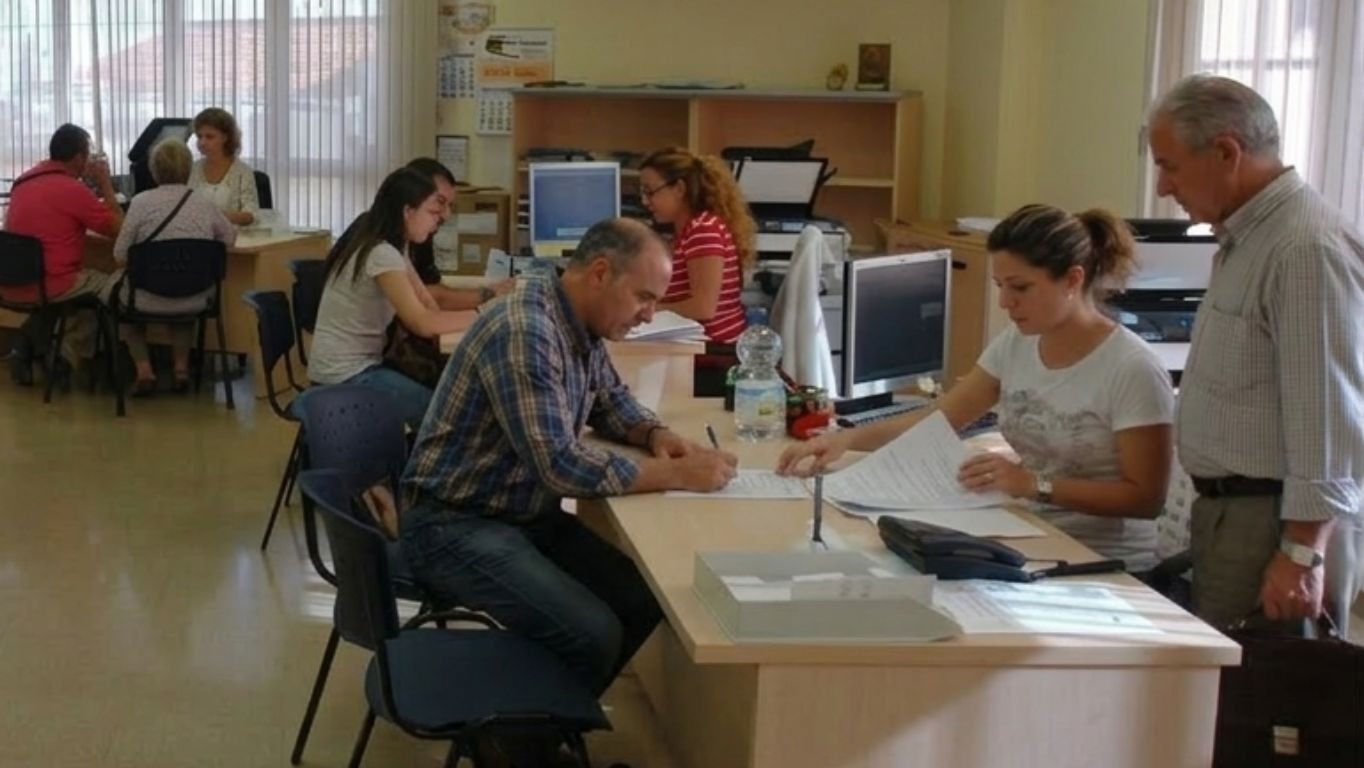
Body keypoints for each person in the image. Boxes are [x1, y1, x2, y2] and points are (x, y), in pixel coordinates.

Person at [400, 218, 738, 704]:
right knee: (591, 633)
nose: (649, 315)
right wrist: (677, 474)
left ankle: (545, 718)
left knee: (643, 598)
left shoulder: (577, 320)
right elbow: (559, 465)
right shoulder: (526, 329)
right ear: (600, 273)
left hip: (517, 513)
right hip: (451, 525)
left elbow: (610, 401)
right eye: (643, 297)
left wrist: (656, 434)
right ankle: (512, 734)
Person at [778, 204, 1175, 571]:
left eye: (1020, 288)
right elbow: (939, 419)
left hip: (1105, 562)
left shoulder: (1131, 368)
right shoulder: (1017, 342)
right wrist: (845, 440)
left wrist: (1032, 485)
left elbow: (1145, 499)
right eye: (1000, 285)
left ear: (1073, 279)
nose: (1005, 302)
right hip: (1030, 537)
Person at [1147, 74, 1364, 632]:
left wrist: (1301, 553)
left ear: (1226, 153)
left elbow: (1328, 421)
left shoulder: (1303, 248)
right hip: (1235, 516)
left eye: (1169, 166)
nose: (1163, 187)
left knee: (1263, 683)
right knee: (1221, 676)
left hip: (1275, 524)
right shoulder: (1247, 237)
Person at [307, 167, 476, 428]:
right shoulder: (381, 253)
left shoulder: (393, 247)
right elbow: (421, 322)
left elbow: (427, 304)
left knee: (446, 395)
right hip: (345, 378)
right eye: (432, 212)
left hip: (357, 368)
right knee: (445, 415)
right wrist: (484, 315)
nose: (438, 220)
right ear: (408, 211)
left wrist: (473, 315)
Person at [110, 138, 236, 396]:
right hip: (195, 298)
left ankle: (144, 370)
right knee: (183, 290)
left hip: (144, 299)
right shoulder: (204, 202)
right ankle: (181, 370)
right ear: (189, 169)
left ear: (154, 170)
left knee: (120, 302)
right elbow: (229, 239)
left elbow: (120, 256)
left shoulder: (140, 202)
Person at [2, 123, 123, 387]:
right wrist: (105, 183)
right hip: (50, 283)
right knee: (106, 289)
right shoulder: (72, 190)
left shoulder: (23, 181)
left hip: (11, 281)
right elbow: (119, 229)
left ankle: (26, 343)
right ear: (79, 158)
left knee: (67, 289)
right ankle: (64, 359)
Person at [330, 157, 512, 312]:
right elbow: (425, 302)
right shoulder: (381, 242)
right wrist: (488, 299)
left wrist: (490, 289)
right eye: (439, 202)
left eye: (449, 205)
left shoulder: (408, 235)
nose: (446, 214)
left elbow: (428, 289)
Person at [638, 146, 756, 344]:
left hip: (714, 349)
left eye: (650, 192)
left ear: (679, 189)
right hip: (696, 344)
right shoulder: (688, 230)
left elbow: (703, 308)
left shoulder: (703, 230)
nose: (645, 201)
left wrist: (648, 308)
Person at [188, 107, 258, 226]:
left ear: (225, 138)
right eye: (199, 136)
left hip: (234, 234)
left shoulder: (243, 172)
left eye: (209, 137)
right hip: (198, 233)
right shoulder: (193, 169)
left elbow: (250, 214)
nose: (202, 142)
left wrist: (216, 217)